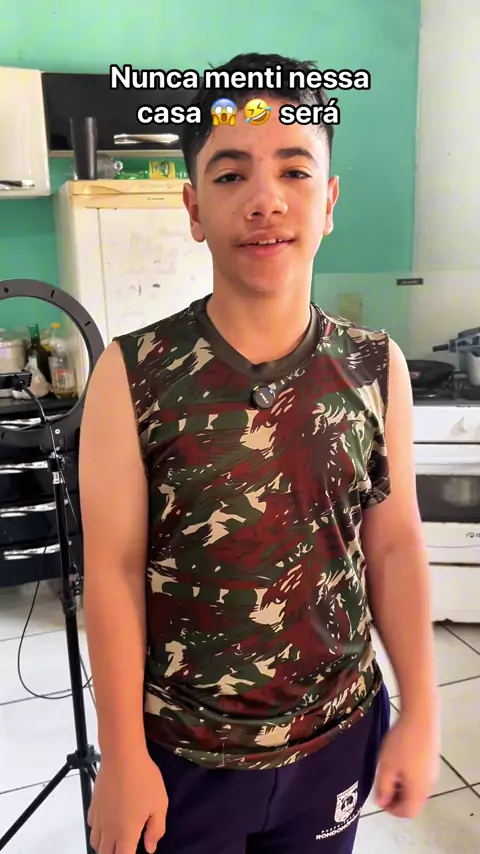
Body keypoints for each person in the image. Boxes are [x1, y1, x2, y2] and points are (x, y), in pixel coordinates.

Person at [79, 52, 440, 854]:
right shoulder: (132, 373)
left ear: (329, 200)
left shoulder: (375, 366)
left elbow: (394, 544)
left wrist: (421, 708)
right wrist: (123, 756)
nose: (266, 199)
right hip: (180, 753)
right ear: (194, 207)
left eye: (294, 170)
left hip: (336, 736)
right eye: (231, 173)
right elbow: (111, 572)